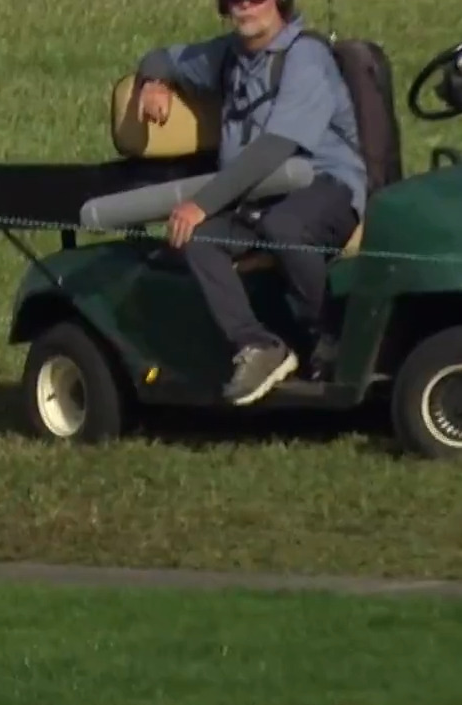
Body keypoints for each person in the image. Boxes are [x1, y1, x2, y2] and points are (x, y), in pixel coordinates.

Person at [134, 0, 365, 404]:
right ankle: (258, 346)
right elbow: (160, 57)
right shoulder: (227, 54)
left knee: (285, 227)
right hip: (260, 196)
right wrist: (154, 82)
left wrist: (202, 202)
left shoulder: (304, 56)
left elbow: (275, 148)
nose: (245, 6)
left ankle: (329, 336)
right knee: (198, 238)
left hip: (325, 188)